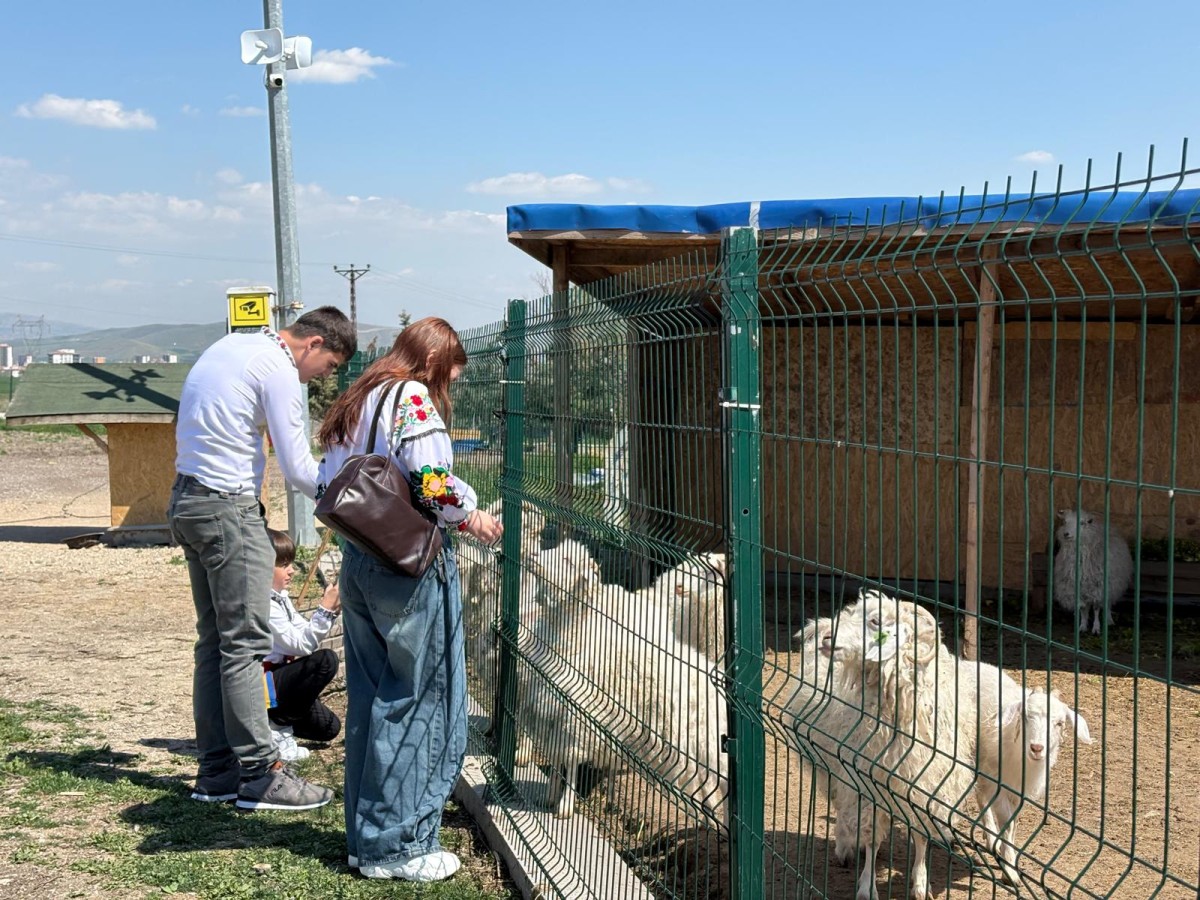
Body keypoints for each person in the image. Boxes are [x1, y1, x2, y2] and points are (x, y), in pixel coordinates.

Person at [317, 316, 502, 882]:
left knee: (373, 698)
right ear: (436, 362)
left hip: (359, 559)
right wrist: (469, 515)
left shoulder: (358, 397)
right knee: (420, 699)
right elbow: (433, 481)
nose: (449, 387)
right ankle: (399, 845)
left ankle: (367, 840)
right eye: (451, 376)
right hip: (407, 566)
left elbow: (324, 478)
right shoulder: (412, 398)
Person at [170, 306, 357, 811]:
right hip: (228, 510)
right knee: (244, 646)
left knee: (215, 642)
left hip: (189, 500)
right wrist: (353, 499)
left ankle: (217, 772)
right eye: (329, 365)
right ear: (313, 343)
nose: (324, 377)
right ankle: (260, 773)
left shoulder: (230, 346)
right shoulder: (277, 368)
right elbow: (297, 467)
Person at [264, 528, 343, 762]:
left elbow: (302, 629)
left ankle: (279, 721)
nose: (291, 570)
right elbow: (302, 645)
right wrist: (325, 611)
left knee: (329, 727)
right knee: (325, 661)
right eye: (283, 565)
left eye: (291, 563)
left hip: (279, 677)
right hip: (264, 685)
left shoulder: (280, 597)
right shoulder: (263, 604)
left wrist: (328, 612)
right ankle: (277, 729)